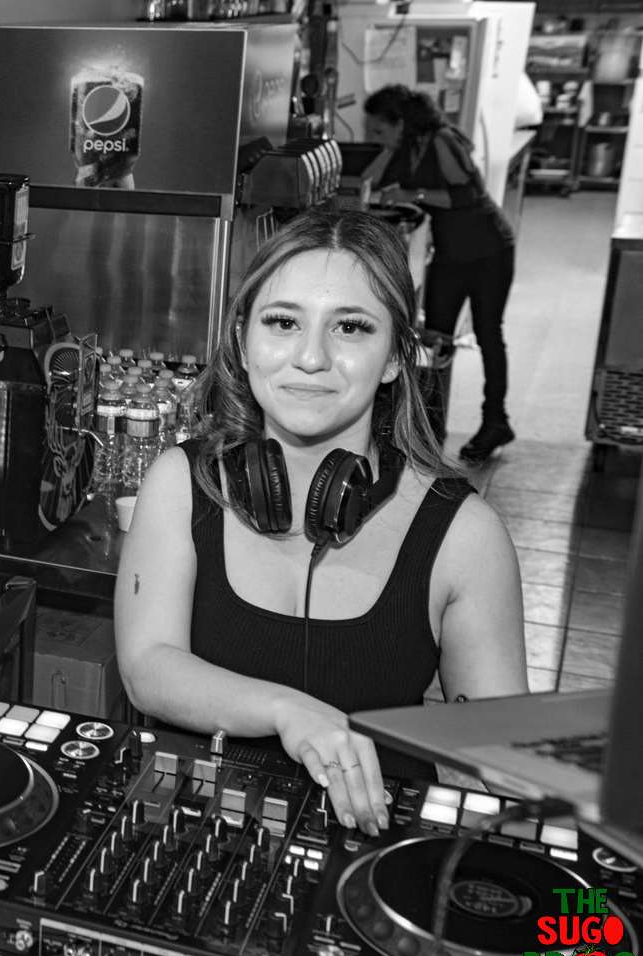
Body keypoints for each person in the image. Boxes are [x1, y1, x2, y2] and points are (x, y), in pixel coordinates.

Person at [114, 210, 527, 837]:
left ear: (395, 358)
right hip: (196, 832)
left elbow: (498, 765)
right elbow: (148, 667)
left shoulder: (464, 535)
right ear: (243, 341)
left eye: (351, 328)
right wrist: (288, 710)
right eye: (283, 322)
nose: (311, 357)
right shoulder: (181, 482)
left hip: (371, 850)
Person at [364, 84, 517, 464]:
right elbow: (370, 179)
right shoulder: (408, 147)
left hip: (489, 249)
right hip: (451, 254)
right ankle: (429, 428)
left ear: (402, 122)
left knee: (488, 334)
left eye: (380, 129)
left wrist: (413, 195)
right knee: (435, 339)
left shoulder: (443, 140)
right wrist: (389, 148)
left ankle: (496, 421)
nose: (376, 137)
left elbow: (466, 195)